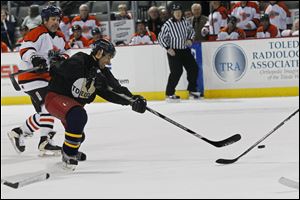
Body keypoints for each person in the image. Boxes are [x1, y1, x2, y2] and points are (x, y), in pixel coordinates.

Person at [44, 39, 147, 170]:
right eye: (108, 57)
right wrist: (56, 63)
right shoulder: (81, 59)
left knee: (79, 136)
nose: (109, 62)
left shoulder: (103, 73)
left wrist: (133, 100)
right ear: (99, 53)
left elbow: (115, 90)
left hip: (72, 107)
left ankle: (68, 150)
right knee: (79, 116)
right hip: (55, 98)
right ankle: (69, 154)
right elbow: (62, 69)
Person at [7, 5, 71, 156]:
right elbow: (26, 50)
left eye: (57, 19)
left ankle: (18, 132)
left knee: (47, 111)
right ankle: (45, 142)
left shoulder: (60, 36)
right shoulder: (37, 32)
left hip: (45, 78)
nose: (56, 22)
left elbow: (67, 51)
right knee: (49, 106)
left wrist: (61, 58)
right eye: (53, 19)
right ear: (45, 20)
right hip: (30, 77)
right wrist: (35, 58)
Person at [158, 3, 201, 102]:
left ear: (181, 12)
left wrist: (190, 39)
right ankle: (169, 93)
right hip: (174, 51)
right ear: (172, 13)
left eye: (179, 12)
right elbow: (160, 38)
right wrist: (168, 48)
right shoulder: (168, 24)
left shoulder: (185, 22)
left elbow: (192, 32)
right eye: (175, 12)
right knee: (176, 72)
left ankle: (192, 90)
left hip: (185, 50)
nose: (177, 14)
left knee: (193, 68)